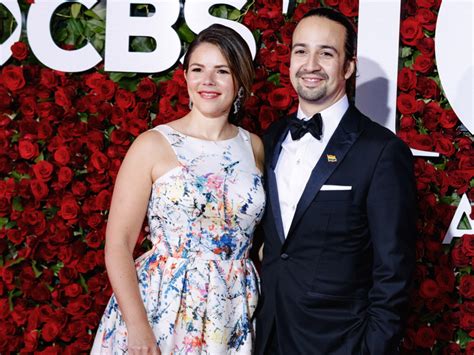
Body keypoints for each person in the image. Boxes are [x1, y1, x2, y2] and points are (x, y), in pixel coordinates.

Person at [91, 24, 265, 354]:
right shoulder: (153, 144)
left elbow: (260, 237)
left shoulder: (253, 147)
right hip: (161, 308)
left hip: (234, 308)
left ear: (240, 80)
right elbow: (118, 244)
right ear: (185, 78)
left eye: (222, 71)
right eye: (197, 70)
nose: (208, 81)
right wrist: (138, 327)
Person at [255, 7, 416, 355]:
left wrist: (371, 347)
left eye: (325, 53)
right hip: (266, 335)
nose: (310, 65)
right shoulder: (269, 139)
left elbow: (394, 268)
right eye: (301, 51)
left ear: (348, 66)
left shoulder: (381, 151)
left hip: (339, 343)